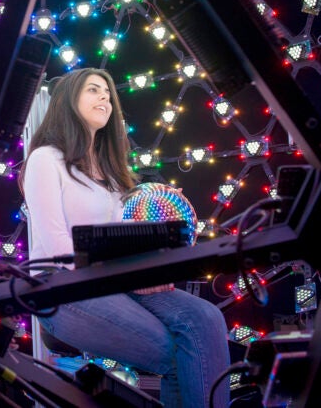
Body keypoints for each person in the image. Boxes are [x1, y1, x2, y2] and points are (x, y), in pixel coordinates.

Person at [18, 67, 230, 408]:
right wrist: (132, 270)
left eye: (107, 92)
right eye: (93, 90)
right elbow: (60, 251)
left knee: (207, 318)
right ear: (67, 101)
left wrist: (150, 266)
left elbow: (129, 239)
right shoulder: (46, 160)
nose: (104, 97)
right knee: (176, 353)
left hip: (117, 281)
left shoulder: (115, 176)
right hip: (62, 287)